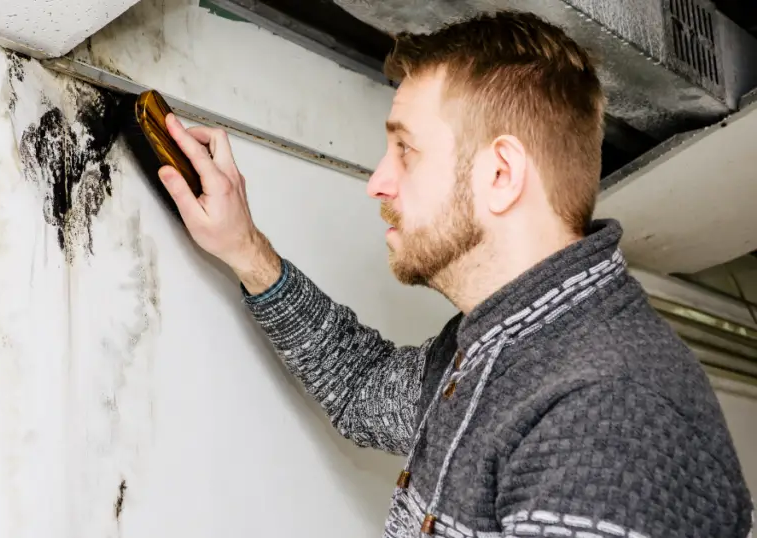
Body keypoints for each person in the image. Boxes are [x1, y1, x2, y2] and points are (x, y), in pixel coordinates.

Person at [155, 9, 753, 538]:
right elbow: (364, 387)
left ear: (500, 174)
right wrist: (246, 249)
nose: (378, 183)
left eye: (405, 150)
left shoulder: (609, 414)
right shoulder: (494, 348)